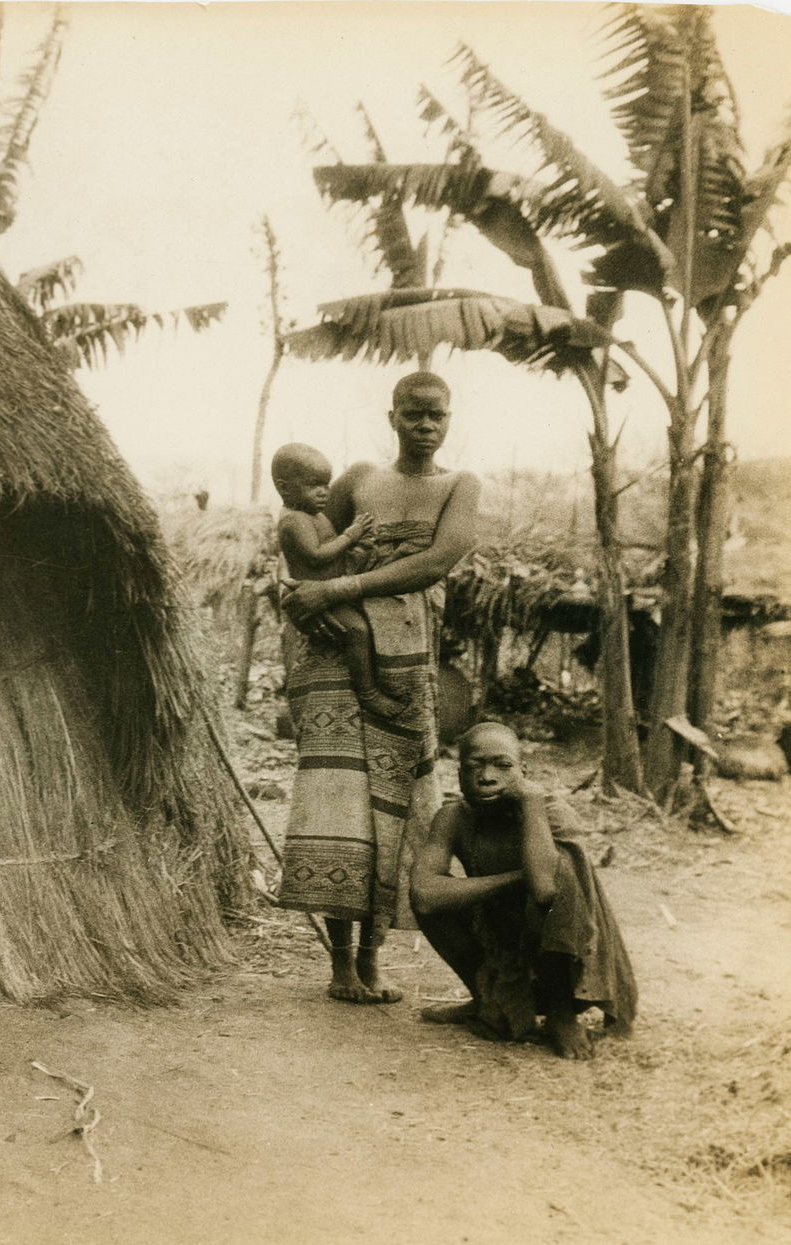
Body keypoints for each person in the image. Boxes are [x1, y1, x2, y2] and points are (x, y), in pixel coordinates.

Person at [277, 371, 480, 1005]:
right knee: (336, 801)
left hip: (407, 656)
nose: (425, 425)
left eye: (437, 415)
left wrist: (336, 591)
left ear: (449, 420)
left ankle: (373, 959)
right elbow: (303, 547)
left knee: (398, 801)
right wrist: (303, 607)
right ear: (392, 416)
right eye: (414, 414)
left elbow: (438, 559)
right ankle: (340, 965)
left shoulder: (458, 485)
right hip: (333, 654)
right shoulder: (360, 478)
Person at [411, 722, 638, 1059]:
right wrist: (515, 879)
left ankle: (560, 1014)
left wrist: (530, 800)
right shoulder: (453, 818)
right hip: (501, 941)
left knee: (558, 886)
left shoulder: (551, 812)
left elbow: (547, 890)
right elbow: (424, 893)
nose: (487, 777)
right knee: (437, 903)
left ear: (524, 771)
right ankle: (485, 997)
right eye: (474, 766)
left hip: (566, 957)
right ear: (458, 774)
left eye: (503, 766)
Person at [270, 442, 403, 719]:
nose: (324, 492)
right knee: (358, 631)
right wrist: (350, 537)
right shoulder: (294, 521)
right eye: (314, 486)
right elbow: (317, 555)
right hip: (320, 601)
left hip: (333, 585)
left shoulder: (311, 514)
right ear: (284, 488)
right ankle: (368, 693)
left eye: (326, 485)